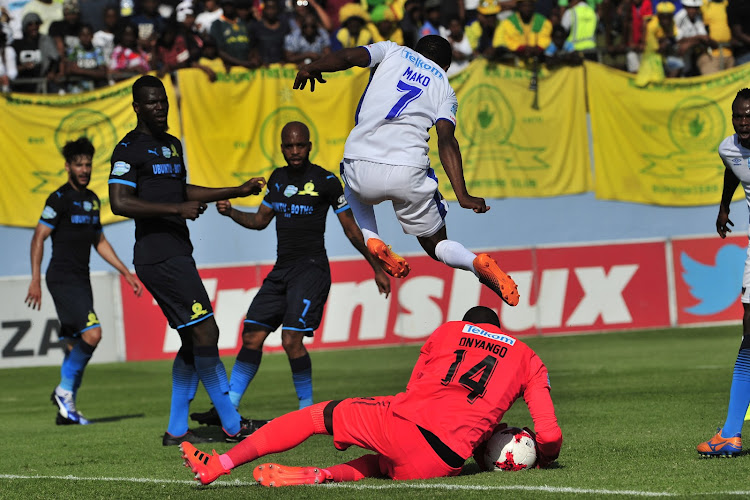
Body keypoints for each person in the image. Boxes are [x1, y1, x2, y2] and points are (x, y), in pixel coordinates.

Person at [180, 306, 562, 486]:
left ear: (468, 324)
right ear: (500, 329)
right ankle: (321, 476)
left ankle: (221, 464)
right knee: (383, 465)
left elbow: (414, 391)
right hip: (442, 462)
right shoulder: (527, 356)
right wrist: (544, 460)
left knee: (316, 417)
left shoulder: (447, 331)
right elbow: (549, 435)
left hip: (406, 423)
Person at [292, 36, 520, 307]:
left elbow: (348, 57)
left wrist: (314, 66)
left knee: (350, 185)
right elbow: (446, 140)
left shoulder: (392, 51)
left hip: (361, 162)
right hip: (408, 170)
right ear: (445, 66)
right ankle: (474, 263)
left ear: (416, 50)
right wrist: (463, 195)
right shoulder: (445, 87)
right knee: (436, 244)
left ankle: (373, 239)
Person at [189, 121, 390, 427]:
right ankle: (227, 409)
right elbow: (259, 221)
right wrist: (231, 212)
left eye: (300, 145)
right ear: (282, 148)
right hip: (282, 271)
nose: (295, 151)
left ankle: (306, 412)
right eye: (289, 146)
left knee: (290, 340)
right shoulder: (277, 179)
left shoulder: (325, 181)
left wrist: (376, 267)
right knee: (252, 335)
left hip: (311, 271)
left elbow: (351, 230)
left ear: (309, 146)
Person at [108, 75, 266, 445]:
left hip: (178, 252)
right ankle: (231, 424)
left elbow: (183, 189)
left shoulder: (172, 146)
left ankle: (177, 429)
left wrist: (236, 189)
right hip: (157, 256)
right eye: (150, 102)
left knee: (191, 339)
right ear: (136, 107)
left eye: (162, 100)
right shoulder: (128, 149)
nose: (159, 107)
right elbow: (120, 202)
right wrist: (175, 208)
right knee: (207, 332)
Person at [24, 136, 143, 426]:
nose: (84, 169)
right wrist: (35, 280)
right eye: (79, 164)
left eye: (88, 164)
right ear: (68, 167)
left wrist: (125, 272)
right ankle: (64, 392)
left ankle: (67, 410)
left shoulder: (91, 200)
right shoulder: (59, 199)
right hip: (62, 278)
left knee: (73, 344)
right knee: (93, 334)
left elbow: (99, 240)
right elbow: (39, 237)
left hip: (81, 279)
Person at [696, 88, 750, 457]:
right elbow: (734, 168)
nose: (743, 122)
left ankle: (730, 431)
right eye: (738, 116)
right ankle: (730, 433)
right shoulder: (728, 148)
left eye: (749, 115)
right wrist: (723, 206)